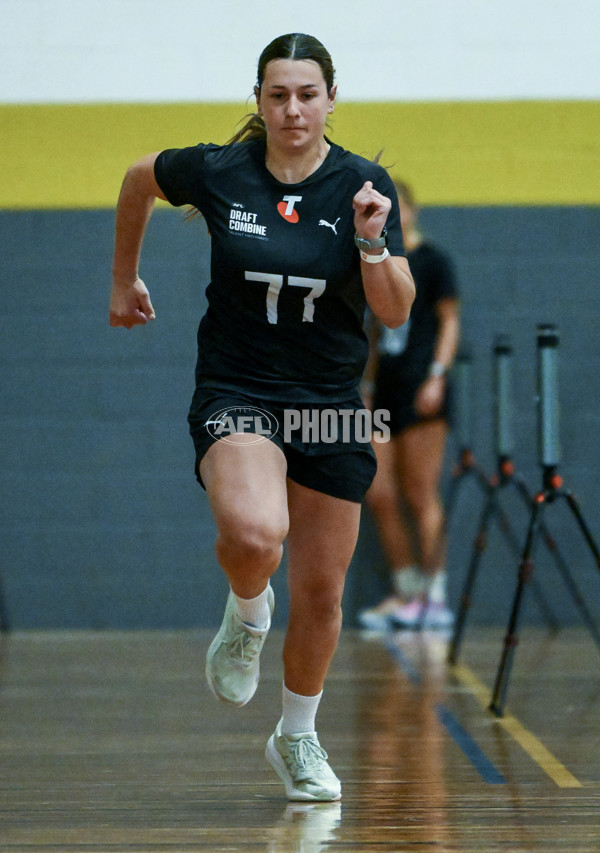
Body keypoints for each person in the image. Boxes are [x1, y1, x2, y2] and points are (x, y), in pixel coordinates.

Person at [110, 33, 415, 802]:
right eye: (277, 95)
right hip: (239, 388)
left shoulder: (363, 185)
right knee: (253, 534)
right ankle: (248, 614)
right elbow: (138, 178)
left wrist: (373, 242)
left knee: (320, 592)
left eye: (307, 94)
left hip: (332, 402)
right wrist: (124, 279)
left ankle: (297, 736)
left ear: (331, 100)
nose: (292, 109)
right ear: (259, 102)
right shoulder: (220, 169)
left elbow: (397, 310)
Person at [357, 181, 460, 632]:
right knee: (378, 493)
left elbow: (449, 323)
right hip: (384, 393)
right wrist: (366, 386)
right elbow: (375, 334)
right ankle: (406, 591)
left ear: (413, 209)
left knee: (420, 492)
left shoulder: (433, 261)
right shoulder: (374, 261)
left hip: (423, 390)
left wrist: (437, 375)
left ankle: (435, 597)